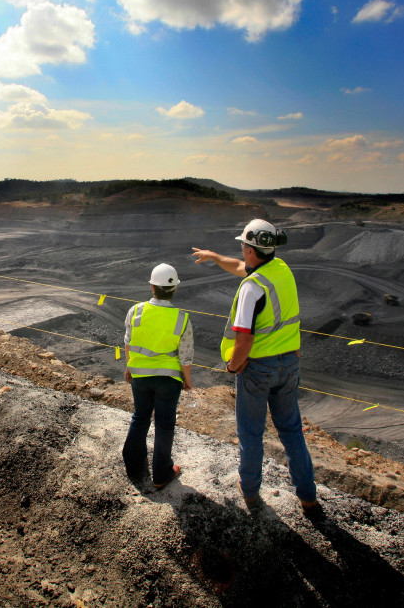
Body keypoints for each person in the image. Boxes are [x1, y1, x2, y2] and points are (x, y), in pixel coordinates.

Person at [192, 220, 318, 513]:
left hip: (258, 368)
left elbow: (244, 338)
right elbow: (238, 266)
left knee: (250, 432)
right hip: (289, 364)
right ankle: (308, 496)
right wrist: (213, 257)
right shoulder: (280, 270)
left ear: (251, 250)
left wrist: (234, 367)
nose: (241, 251)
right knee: (291, 431)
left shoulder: (252, 288)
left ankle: (249, 491)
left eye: (243, 247)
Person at [122, 263, 194, 490]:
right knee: (164, 424)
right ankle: (161, 474)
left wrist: (129, 367)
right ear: (174, 289)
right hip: (168, 379)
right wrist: (187, 379)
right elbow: (186, 354)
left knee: (140, 418)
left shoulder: (136, 311)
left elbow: (128, 342)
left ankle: (134, 468)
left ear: (152, 287)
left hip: (140, 375)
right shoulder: (182, 318)